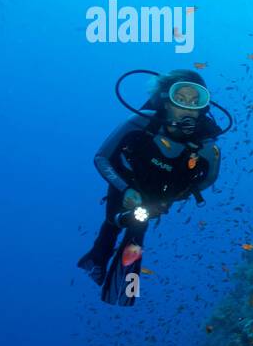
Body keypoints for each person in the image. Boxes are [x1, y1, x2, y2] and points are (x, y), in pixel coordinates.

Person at [78, 70, 227, 304]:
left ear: (203, 107)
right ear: (167, 102)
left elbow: (208, 180)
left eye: (195, 101)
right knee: (114, 221)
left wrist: (171, 199)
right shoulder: (141, 121)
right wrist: (125, 188)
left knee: (137, 230)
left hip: (160, 195)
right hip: (126, 181)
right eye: (181, 99)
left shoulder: (206, 145)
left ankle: (120, 289)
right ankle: (96, 260)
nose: (188, 107)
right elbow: (101, 158)